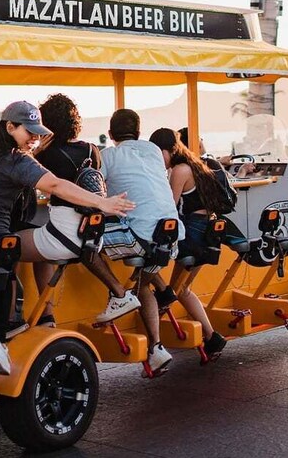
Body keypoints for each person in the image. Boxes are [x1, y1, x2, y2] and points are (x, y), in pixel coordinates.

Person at [0, 101, 135, 374]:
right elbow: (56, 185)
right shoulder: (19, 162)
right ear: (9, 127)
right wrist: (101, 203)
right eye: (29, 131)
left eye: (37, 131)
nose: (35, 137)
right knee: (3, 264)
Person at [21, 94, 140, 326]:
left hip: (62, 236)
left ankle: (13, 318)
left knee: (6, 245)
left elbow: (20, 181)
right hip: (91, 236)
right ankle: (46, 317)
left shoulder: (47, 154)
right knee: (40, 256)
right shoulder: (92, 150)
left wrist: (33, 154)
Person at [100, 109, 185, 376]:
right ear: (138, 132)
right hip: (170, 240)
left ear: (111, 134)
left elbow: (95, 189)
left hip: (140, 239)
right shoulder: (152, 151)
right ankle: (156, 349)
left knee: (85, 240)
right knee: (143, 285)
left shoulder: (107, 155)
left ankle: (118, 295)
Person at [148, 128, 228, 359]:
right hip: (206, 233)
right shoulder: (195, 165)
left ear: (169, 150)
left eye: (158, 153)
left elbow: (169, 206)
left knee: (150, 264)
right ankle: (212, 338)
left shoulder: (179, 171)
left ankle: (154, 339)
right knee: (182, 289)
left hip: (191, 234)